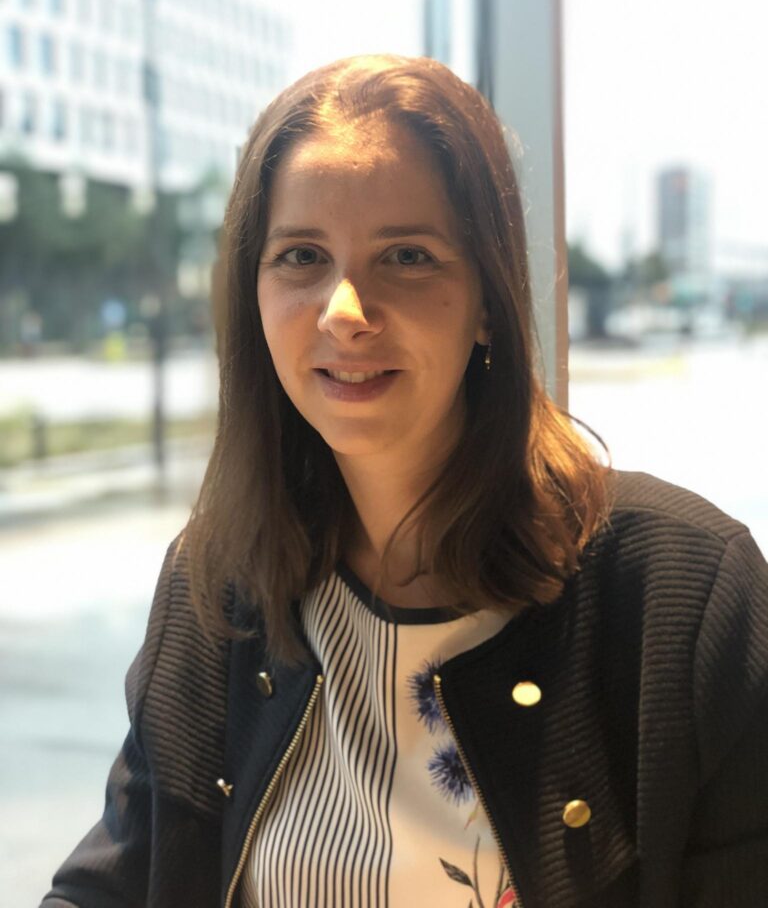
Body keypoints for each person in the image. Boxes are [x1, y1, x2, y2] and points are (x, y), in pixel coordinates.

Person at [42, 55, 768, 908]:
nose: (344, 311)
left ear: (489, 300)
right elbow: (114, 883)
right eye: (302, 255)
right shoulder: (221, 580)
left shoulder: (687, 597)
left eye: (407, 257)